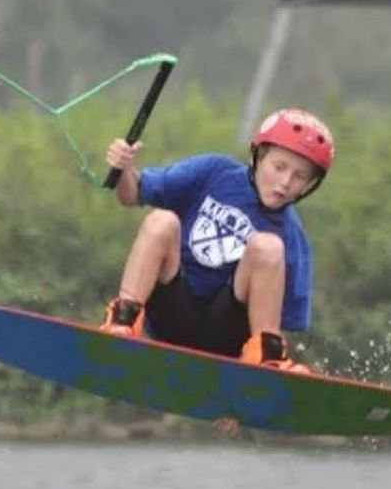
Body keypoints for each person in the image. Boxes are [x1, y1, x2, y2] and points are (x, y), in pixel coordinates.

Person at [99, 108, 334, 372]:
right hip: (172, 314)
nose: (285, 182)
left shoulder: (292, 237)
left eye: (300, 176)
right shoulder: (213, 172)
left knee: (268, 247)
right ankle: (123, 320)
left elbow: (279, 320)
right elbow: (132, 195)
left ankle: (266, 358)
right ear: (256, 156)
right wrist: (124, 168)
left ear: (309, 185)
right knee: (161, 220)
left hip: (229, 338)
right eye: (279, 167)